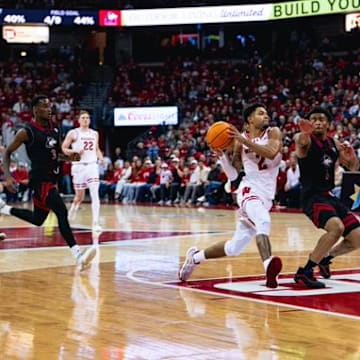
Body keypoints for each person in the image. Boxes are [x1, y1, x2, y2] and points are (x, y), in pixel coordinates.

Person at [179, 103, 283, 288]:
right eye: (261, 113)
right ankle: (269, 267)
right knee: (263, 221)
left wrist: (244, 142)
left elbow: (271, 152)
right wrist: (223, 159)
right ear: (250, 119)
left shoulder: (273, 133)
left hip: (266, 195)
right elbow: (234, 175)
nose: (266, 115)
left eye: (266, 112)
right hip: (248, 190)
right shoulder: (239, 141)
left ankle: (195, 258)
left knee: (234, 248)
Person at [0, 95, 96, 270]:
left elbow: (57, 152)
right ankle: (78, 255)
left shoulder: (55, 129)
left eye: (50, 106)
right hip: (40, 181)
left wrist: (70, 157)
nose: (49, 109)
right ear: (35, 110)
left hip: (52, 179)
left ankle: (4, 208)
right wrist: (8, 176)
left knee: (38, 220)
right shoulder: (26, 132)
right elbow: (6, 152)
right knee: (60, 210)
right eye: (44, 106)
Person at [293, 107, 360, 288]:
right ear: (309, 123)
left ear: (328, 124)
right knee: (336, 227)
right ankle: (304, 272)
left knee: (357, 238)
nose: (318, 122)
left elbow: (353, 169)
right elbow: (300, 142)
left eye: (322, 119)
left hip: (329, 196)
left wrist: (352, 157)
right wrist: (304, 132)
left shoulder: (334, 144)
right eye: (314, 119)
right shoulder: (304, 139)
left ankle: (325, 258)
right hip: (312, 197)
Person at [61, 110, 105, 231]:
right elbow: (64, 148)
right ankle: (74, 208)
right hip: (78, 166)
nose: (86, 120)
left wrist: (101, 158)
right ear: (79, 120)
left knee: (95, 195)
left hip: (92, 165)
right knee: (79, 197)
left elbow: (97, 149)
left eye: (87, 118)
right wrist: (74, 151)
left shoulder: (94, 133)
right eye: (83, 118)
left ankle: (95, 223)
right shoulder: (73, 133)